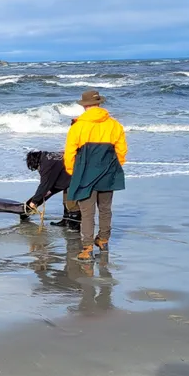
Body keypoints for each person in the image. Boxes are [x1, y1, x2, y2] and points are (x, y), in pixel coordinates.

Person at [64, 90, 127, 261]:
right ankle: (104, 240)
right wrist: (114, 167)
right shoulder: (115, 125)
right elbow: (122, 151)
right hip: (108, 171)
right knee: (105, 209)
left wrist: (72, 171)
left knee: (87, 212)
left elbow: (69, 152)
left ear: (85, 106)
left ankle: (87, 247)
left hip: (85, 172)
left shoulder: (78, 126)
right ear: (99, 104)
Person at [24, 149, 81, 230]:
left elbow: (44, 185)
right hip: (69, 175)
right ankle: (66, 221)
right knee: (66, 202)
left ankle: (75, 227)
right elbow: (54, 178)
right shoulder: (47, 156)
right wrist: (50, 190)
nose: (37, 169)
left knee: (71, 203)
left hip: (75, 176)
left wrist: (34, 202)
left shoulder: (46, 165)